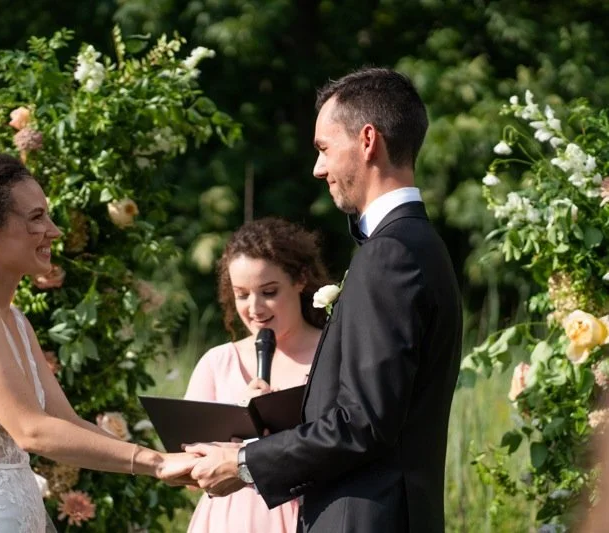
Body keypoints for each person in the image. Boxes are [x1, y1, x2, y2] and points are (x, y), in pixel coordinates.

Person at [185, 67, 463, 533]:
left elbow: (362, 422)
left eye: (323, 148)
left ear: (368, 140)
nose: (318, 169)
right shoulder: (422, 246)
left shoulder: (389, 255)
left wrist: (243, 461)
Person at [0, 154, 195, 533]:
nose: (54, 231)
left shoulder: (15, 320)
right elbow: (31, 430)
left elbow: (63, 421)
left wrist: (164, 462)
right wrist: (154, 464)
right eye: (36, 218)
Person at [183, 217, 331, 533]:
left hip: (313, 518)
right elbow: (188, 475)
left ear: (300, 280)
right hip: (228, 521)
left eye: (269, 291)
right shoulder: (216, 363)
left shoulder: (334, 354)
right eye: (242, 294)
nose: (255, 308)